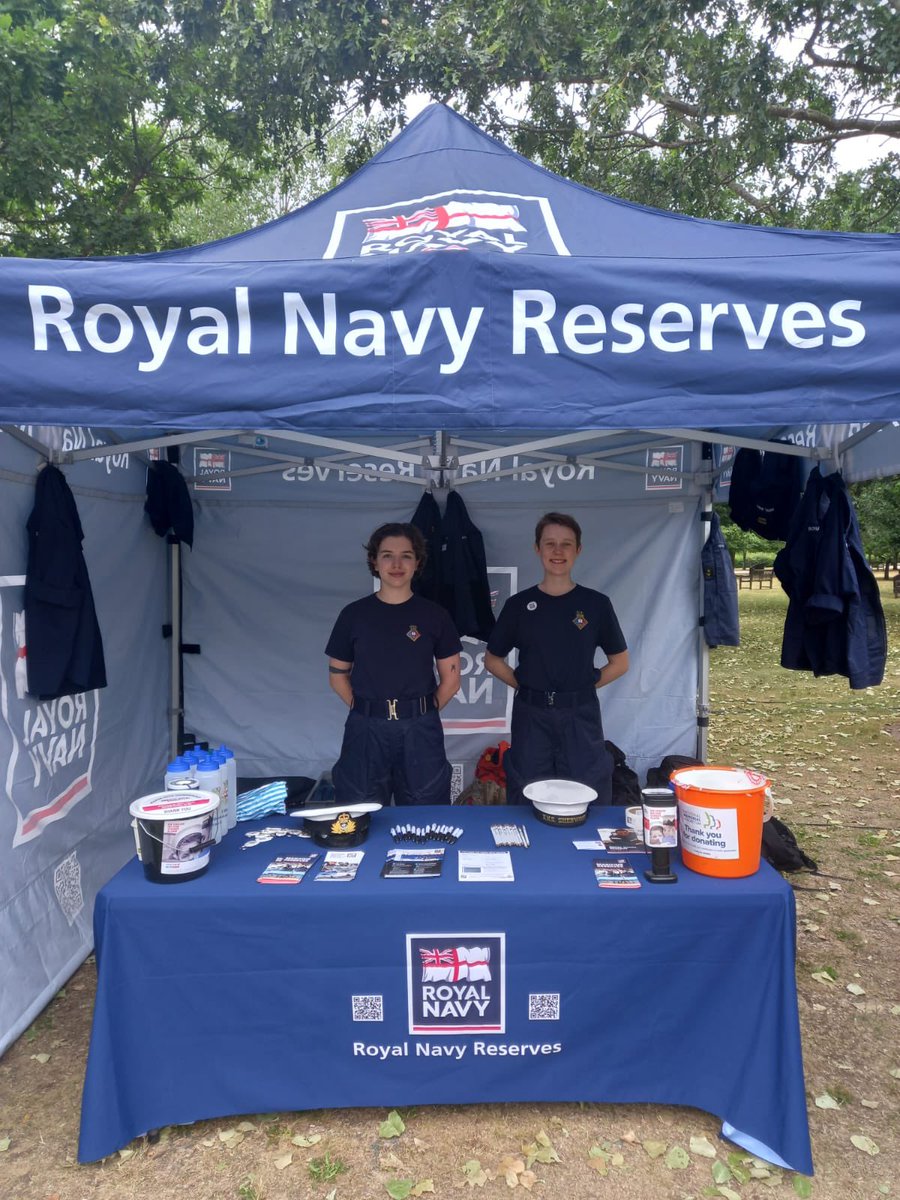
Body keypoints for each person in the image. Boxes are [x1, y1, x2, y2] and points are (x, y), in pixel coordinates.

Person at [484, 512, 629, 805]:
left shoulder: (595, 604)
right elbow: (492, 659)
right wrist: (525, 685)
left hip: (580, 715)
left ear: (579, 550)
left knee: (587, 792)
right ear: (537, 549)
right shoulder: (519, 606)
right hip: (532, 715)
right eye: (550, 544)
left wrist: (583, 685)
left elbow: (620, 662)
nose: (558, 551)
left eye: (566, 544)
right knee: (528, 792)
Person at [326, 522, 461, 806]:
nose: (396, 564)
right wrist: (367, 710)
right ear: (374, 562)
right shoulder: (353, 615)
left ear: (417, 562)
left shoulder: (435, 616)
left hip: (419, 730)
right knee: (359, 811)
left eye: (406, 556)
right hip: (366, 729)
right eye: (387, 555)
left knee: (426, 814)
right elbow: (338, 676)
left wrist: (419, 713)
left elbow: (451, 681)